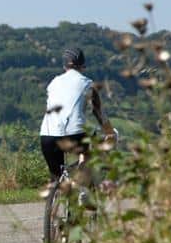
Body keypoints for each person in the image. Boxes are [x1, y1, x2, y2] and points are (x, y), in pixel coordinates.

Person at [39, 48, 115, 202]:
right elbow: (99, 113)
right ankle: (81, 187)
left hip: (47, 135)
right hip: (75, 133)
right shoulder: (88, 84)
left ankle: (53, 210)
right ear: (82, 66)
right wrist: (110, 132)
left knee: (56, 177)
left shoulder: (53, 83)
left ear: (64, 66)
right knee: (90, 152)